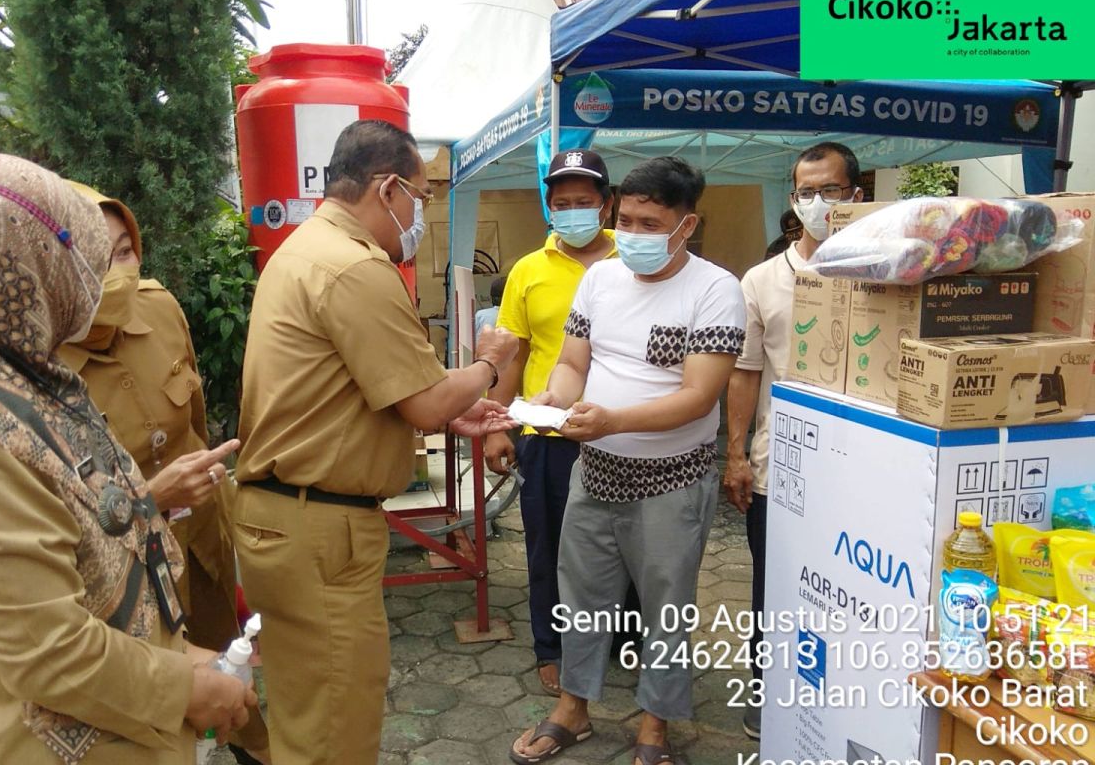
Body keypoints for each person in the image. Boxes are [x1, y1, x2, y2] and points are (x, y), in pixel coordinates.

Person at [0, 153, 255, 765]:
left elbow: (83, 533)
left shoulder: (11, 367)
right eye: (86, 262)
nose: (100, 286)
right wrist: (183, 687)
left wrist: (176, 650)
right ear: (33, 270)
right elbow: (48, 651)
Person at [232, 119, 519, 765]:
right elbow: (421, 400)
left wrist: (455, 409)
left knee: (309, 710)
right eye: (421, 196)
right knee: (336, 729)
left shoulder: (305, 249)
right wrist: (490, 366)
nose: (420, 214)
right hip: (321, 530)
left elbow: (375, 387)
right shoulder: (355, 266)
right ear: (387, 188)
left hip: (291, 519)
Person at [509, 156, 745, 765]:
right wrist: (552, 402)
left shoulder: (715, 290)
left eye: (649, 223)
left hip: (671, 480)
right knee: (581, 594)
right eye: (627, 220)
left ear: (685, 225)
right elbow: (572, 363)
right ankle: (573, 708)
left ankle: (655, 725)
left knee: (666, 605)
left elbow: (698, 397)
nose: (633, 234)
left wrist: (613, 419)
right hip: (595, 470)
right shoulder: (601, 280)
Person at [57, 184, 270, 765]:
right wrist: (149, 496)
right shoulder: (42, 366)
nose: (119, 272)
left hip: (200, 540)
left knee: (232, 673)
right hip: (121, 575)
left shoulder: (158, 306)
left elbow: (193, 421)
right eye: (99, 260)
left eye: (125, 251)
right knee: (163, 708)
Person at [724, 141, 862, 740]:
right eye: (806, 192)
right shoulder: (761, 279)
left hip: (862, 471)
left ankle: (843, 699)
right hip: (780, 467)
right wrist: (734, 455)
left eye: (829, 191)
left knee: (850, 596)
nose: (817, 203)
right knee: (775, 587)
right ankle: (767, 690)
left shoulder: (881, 269)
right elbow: (745, 372)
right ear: (792, 198)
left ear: (855, 195)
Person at [483, 148, 622, 697]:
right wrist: (498, 423)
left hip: (623, 435)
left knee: (618, 552)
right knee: (550, 551)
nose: (572, 212)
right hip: (549, 435)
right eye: (561, 203)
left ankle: (619, 642)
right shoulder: (527, 270)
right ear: (549, 207)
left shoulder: (633, 261)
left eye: (584, 202)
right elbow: (511, 357)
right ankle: (552, 646)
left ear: (606, 205)